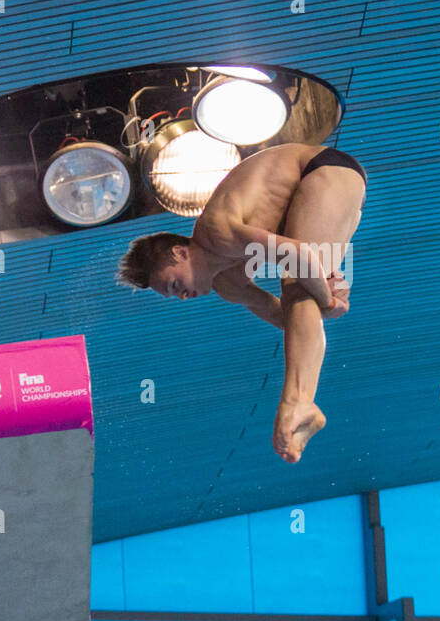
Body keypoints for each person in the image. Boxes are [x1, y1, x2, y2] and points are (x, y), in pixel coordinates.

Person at [116, 143, 366, 462]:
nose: (182, 295)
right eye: (174, 295)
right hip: (317, 202)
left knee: (299, 284)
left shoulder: (215, 231)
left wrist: (325, 298)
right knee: (301, 294)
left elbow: (298, 256)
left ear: (181, 252)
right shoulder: (228, 285)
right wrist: (328, 299)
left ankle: (297, 401)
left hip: (323, 170)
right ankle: (304, 402)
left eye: (175, 283)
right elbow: (288, 320)